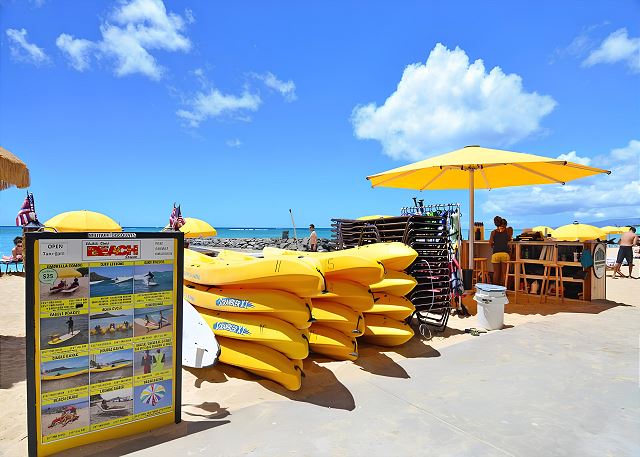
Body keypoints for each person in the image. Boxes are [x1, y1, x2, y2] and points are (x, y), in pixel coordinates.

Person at [489, 217, 511, 285]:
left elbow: (490, 243)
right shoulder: (507, 231)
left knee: (496, 273)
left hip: (496, 254)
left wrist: (494, 245)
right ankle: (504, 288)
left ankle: (495, 288)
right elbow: (509, 239)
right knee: (504, 273)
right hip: (505, 254)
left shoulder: (493, 232)